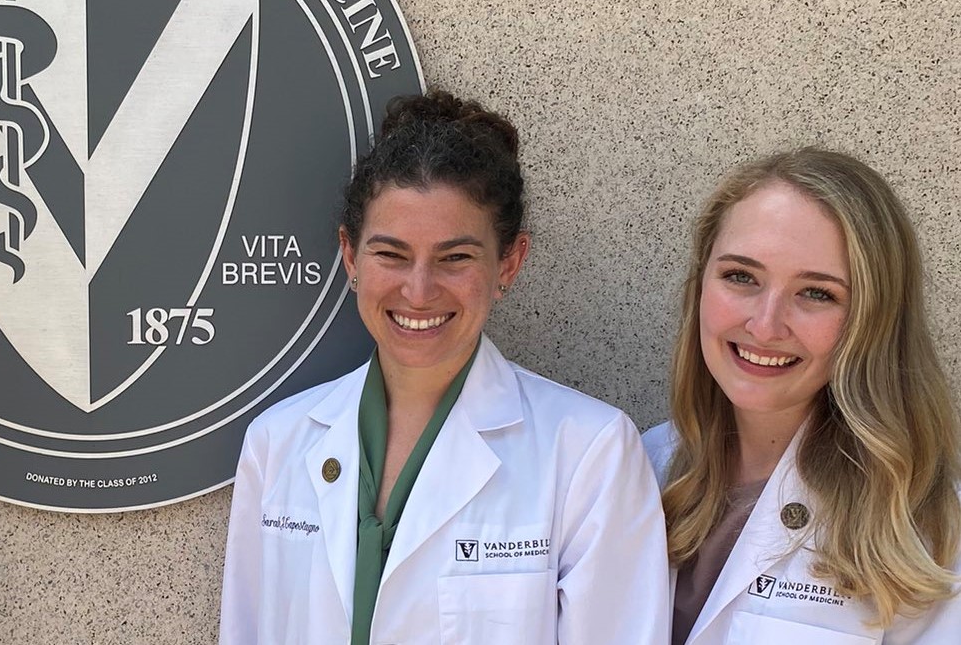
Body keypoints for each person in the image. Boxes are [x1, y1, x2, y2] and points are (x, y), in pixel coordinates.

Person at [218, 90, 670, 644]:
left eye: (455, 258)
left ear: (510, 262)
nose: (418, 290)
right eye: (391, 254)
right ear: (350, 256)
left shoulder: (588, 452)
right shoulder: (277, 443)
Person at [643, 148, 961, 644]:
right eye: (741, 277)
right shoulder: (639, 465)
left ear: (875, 320)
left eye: (817, 293)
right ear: (700, 285)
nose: (765, 326)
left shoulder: (926, 521)